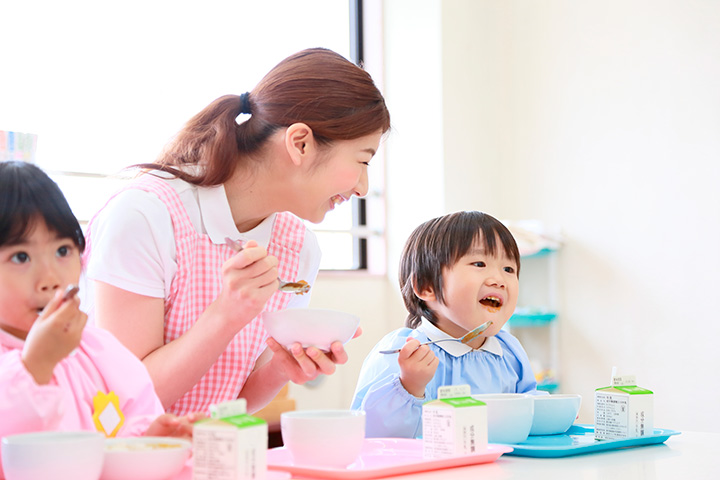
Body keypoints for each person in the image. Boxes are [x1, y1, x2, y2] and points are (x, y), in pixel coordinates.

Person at [81, 47, 391, 416]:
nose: (362, 187)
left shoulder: (297, 248)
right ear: (300, 143)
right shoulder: (146, 216)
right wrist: (225, 315)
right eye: (362, 161)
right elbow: (125, 403)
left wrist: (279, 368)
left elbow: (230, 403)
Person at [0, 161, 202, 468]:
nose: (51, 277)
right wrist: (35, 366)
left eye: (63, 251)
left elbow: (129, 423)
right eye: (21, 256)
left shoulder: (97, 349)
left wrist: (151, 440)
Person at [351, 211, 543, 438]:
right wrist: (409, 385)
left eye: (508, 269)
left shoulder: (509, 351)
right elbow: (371, 437)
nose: (498, 280)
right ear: (426, 287)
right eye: (479, 263)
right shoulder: (404, 353)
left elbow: (529, 407)